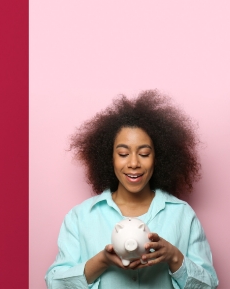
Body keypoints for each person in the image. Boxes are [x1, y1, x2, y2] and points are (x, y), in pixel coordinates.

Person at [44, 90, 219, 288]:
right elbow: (55, 283)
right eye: (123, 153)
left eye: (144, 154)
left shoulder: (182, 215)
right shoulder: (81, 217)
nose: (134, 163)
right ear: (109, 157)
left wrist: (174, 257)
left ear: (158, 158)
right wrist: (102, 260)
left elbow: (209, 285)